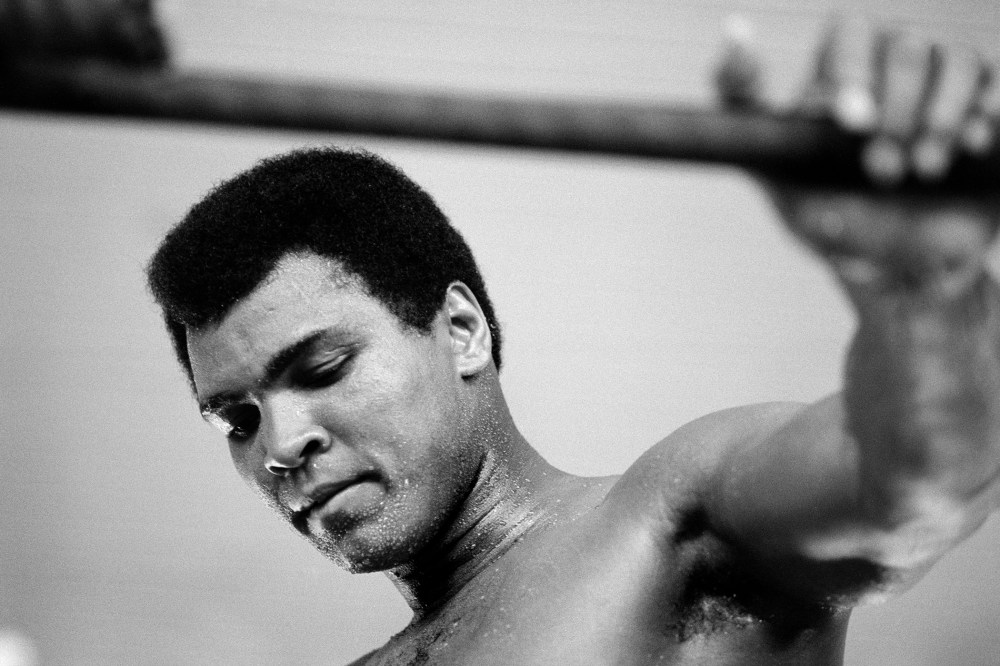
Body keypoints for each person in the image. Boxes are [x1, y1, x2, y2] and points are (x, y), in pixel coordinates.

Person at [146, 21, 1000, 665]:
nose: (281, 445)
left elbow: (919, 483)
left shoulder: (672, 523)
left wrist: (925, 289)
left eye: (323, 368)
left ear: (462, 330)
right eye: (236, 420)